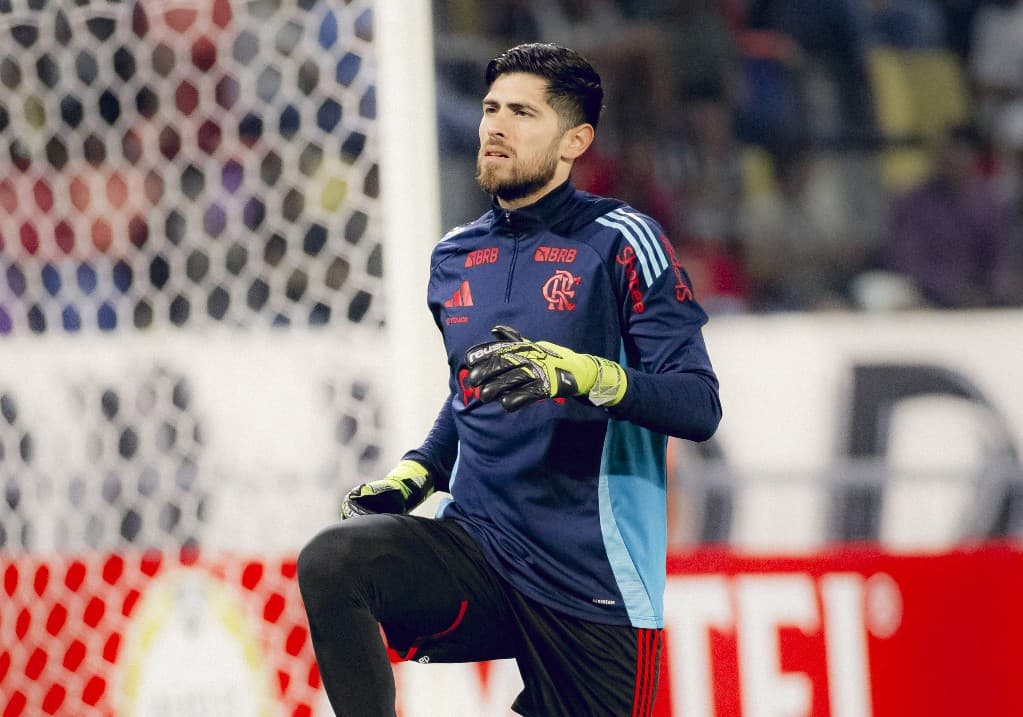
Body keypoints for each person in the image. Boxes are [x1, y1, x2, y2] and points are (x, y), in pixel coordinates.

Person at [297, 43, 721, 717]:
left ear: (573, 140)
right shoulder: (454, 256)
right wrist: (422, 468)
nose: (495, 125)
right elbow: (472, 387)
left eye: (522, 113)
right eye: (491, 108)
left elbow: (698, 404)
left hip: (593, 580)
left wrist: (585, 375)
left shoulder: (622, 242)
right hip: (482, 547)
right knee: (334, 562)